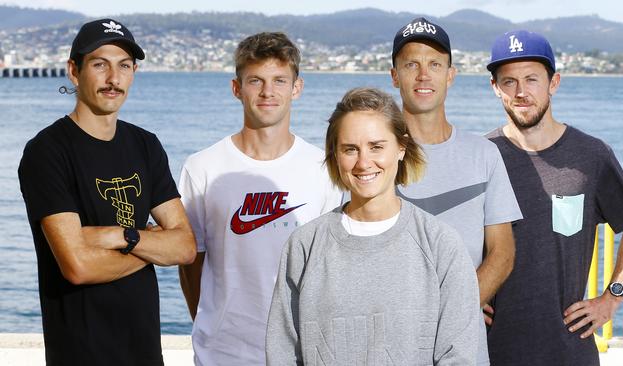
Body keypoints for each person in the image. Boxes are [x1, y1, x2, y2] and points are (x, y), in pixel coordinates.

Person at [17, 18, 197, 366]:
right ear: (74, 71)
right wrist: (151, 244)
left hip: (145, 353)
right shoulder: (47, 151)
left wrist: (120, 235)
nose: (114, 79)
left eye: (124, 66)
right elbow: (78, 266)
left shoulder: (145, 145)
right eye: (100, 64)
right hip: (80, 354)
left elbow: (186, 247)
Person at [266, 87, 479, 365]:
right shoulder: (305, 245)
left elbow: (457, 356)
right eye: (350, 149)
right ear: (335, 155)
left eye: (377, 146)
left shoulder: (440, 244)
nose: (364, 162)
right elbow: (282, 352)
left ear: (401, 148)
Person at [485, 30, 623, 365]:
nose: (521, 92)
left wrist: (611, 297)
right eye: (509, 81)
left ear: (553, 83)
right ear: (495, 88)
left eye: (531, 79)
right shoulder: (481, 156)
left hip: (570, 350)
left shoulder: (591, 155)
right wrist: (464, 295)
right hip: (489, 350)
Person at [178, 32, 342, 365]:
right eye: (256, 81)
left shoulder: (324, 169)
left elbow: (331, 269)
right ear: (237, 88)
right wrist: (213, 326)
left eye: (280, 80)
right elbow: (190, 262)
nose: (268, 92)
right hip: (222, 353)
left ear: (297, 88)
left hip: (300, 352)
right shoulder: (202, 168)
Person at [389, 17, 522, 366]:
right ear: (394, 75)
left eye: (434, 64)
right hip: (388, 344)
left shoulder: (483, 154)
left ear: (450, 75)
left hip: (463, 349)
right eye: (411, 64)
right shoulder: (374, 154)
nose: (423, 75)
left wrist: (458, 308)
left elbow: (502, 252)